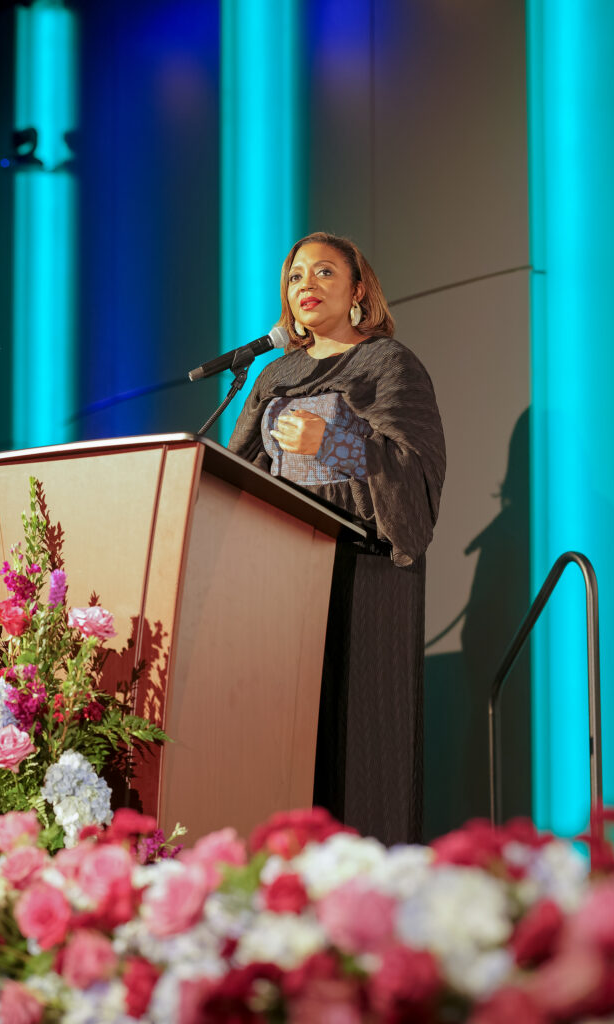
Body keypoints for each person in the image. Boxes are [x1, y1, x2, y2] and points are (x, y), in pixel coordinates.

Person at [229, 232, 445, 844]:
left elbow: (417, 470)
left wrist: (334, 441)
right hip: (282, 575)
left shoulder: (389, 364)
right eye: (296, 275)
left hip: (363, 574)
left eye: (324, 272)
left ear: (358, 291)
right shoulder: (275, 374)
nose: (307, 285)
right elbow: (237, 469)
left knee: (354, 743)